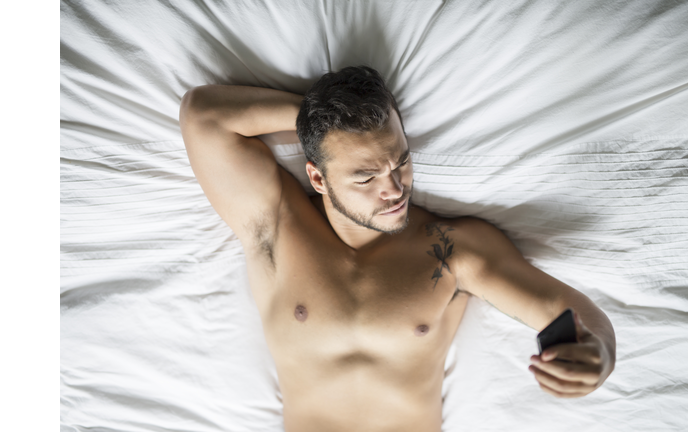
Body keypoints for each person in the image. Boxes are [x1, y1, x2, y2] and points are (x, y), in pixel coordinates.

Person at [179, 65, 615, 432]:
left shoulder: (452, 250)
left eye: (401, 161)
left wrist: (601, 354)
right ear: (318, 178)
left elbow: (565, 309)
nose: (394, 189)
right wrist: (318, 119)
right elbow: (203, 114)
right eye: (365, 176)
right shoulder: (277, 226)